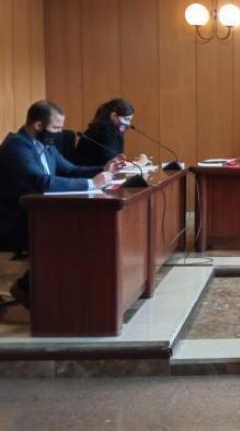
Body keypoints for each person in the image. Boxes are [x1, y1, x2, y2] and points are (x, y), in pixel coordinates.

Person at [0, 101, 122, 309]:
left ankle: (52, 291)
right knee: (71, 233)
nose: (59, 133)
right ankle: (30, 289)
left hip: (40, 214)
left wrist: (104, 169)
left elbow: (71, 170)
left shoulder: (46, 146)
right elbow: (42, 182)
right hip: (13, 220)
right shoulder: (16, 146)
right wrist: (92, 184)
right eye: (56, 128)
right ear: (38, 125)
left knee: (79, 229)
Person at [75, 98, 150, 167]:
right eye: (126, 119)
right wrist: (138, 164)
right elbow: (113, 164)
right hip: (88, 173)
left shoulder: (115, 131)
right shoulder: (103, 130)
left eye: (130, 120)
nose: (128, 124)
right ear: (113, 115)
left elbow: (118, 159)